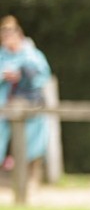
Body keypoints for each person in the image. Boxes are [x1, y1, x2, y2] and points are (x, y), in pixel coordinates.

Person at [0, 16, 52, 171]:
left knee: (32, 137)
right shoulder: (2, 56)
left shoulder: (32, 54)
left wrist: (23, 74)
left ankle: (27, 172)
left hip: (29, 102)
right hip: (4, 104)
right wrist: (4, 75)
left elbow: (42, 76)